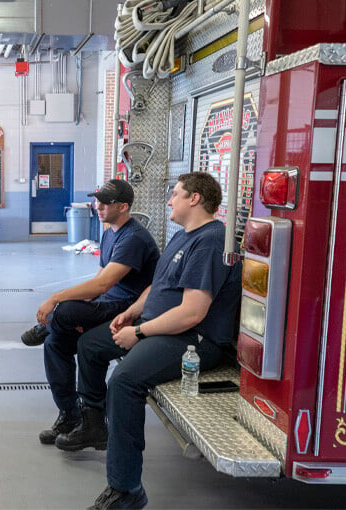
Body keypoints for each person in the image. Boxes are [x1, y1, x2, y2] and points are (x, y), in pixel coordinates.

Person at [83, 172, 242, 509]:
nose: (169, 200)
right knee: (91, 346)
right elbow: (158, 286)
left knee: (124, 382)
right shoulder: (182, 236)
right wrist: (132, 313)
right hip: (158, 325)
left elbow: (192, 313)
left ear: (194, 199)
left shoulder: (211, 241)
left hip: (192, 339)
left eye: (176, 194)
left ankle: (126, 490)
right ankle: (91, 423)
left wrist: (139, 333)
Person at [25, 179, 160, 449]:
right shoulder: (110, 231)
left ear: (122, 207)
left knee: (65, 310)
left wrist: (55, 298)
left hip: (127, 310)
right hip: (107, 305)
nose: (97, 206)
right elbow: (99, 280)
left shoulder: (133, 237)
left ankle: (52, 324)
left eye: (105, 202)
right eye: (97, 200)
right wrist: (80, 308)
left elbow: (103, 284)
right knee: (55, 344)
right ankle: (72, 417)